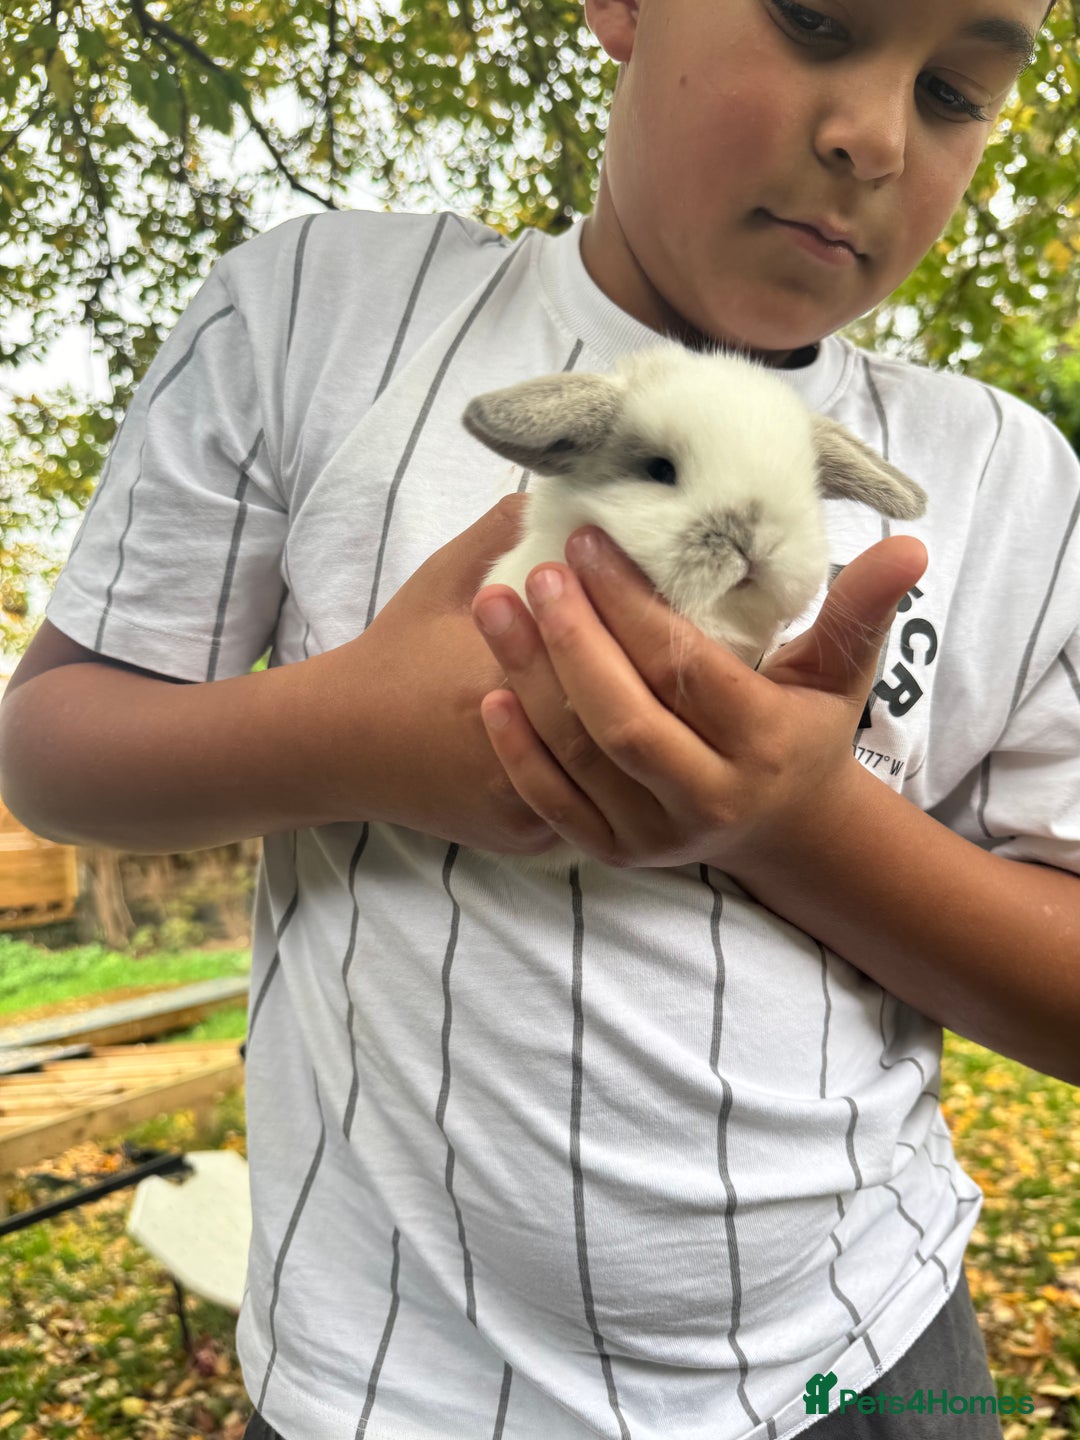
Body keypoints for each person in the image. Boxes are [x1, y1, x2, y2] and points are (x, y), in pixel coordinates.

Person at [1, 0, 1076, 1436]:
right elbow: (56, 749)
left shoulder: (1009, 477)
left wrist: (799, 822)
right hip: (384, 1387)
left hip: (862, 1354)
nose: (871, 135)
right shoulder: (318, 314)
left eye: (954, 91)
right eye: (815, 18)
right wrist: (359, 735)